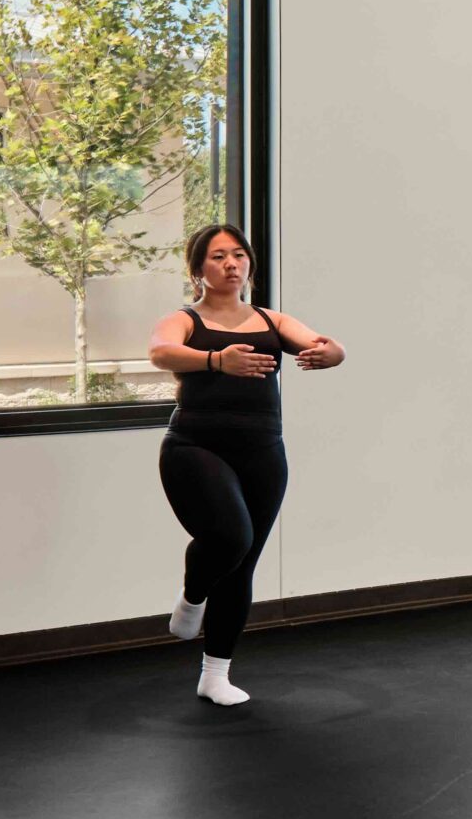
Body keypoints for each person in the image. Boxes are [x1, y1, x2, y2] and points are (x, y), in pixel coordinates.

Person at [147, 225, 343, 706]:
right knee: (231, 537)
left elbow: (323, 343)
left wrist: (330, 353)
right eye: (218, 257)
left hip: (263, 452)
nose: (231, 264)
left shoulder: (270, 320)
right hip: (194, 447)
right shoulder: (186, 320)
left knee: (243, 563)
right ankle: (194, 595)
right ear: (199, 269)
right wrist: (217, 361)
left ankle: (215, 675)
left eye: (238, 255)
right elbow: (160, 352)